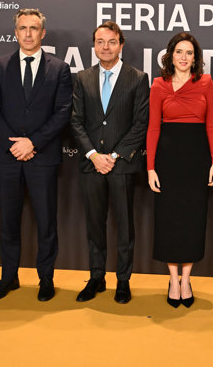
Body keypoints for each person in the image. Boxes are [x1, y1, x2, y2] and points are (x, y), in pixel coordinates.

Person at [0, 8, 73, 302]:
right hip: (8, 156)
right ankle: (8, 277)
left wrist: (32, 143)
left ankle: (46, 279)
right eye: (23, 28)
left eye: (34, 28)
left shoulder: (59, 68)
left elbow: (63, 112)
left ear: (43, 33)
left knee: (46, 222)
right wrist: (14, 144)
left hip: (42, 157)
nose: (28, 33)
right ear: (16, 32)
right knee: (8, 221)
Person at [70, 21, 149, 304]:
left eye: (112, 42)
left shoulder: (137, 78)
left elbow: (140, 123)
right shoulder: (82, 78)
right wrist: (94, 155)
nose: (106, 47)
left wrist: (114, 156)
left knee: (125, 226)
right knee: (95, 225)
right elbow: (76, 121)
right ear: (94, 46)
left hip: (122, 166)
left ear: (121, 45)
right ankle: (96, 277)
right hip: (91, 164)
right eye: (100, 42)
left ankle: (123, 281)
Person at [146, 32, 213, 308]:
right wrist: (150, 167)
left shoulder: (206, 82)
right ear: (171, 55)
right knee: (169, 219)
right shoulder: (158, 85)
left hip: (197, 160)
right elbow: (153, 128)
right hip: (168, 161)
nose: (184, 57)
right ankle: (173, 279)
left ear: (195, 58)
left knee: (192, 219)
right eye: (179, 52)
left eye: (189, 53)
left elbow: (211, 124)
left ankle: (186, 279)